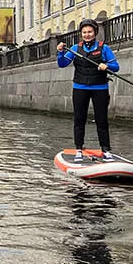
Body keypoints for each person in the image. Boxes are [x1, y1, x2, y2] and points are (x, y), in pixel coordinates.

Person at [56, 18, 120, 163]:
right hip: (80, 88)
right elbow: (62, 64)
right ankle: (79, 149)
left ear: (95, 32)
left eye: (90, 31)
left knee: (101, 120)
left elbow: (116, 66)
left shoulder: (104, 48)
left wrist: (106, 66)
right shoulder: (74, 49)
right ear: (81, 34)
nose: (87, 34)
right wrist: (60, 52)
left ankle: (106, 150)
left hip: (100, 88)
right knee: (79, 119)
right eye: (84, 32)